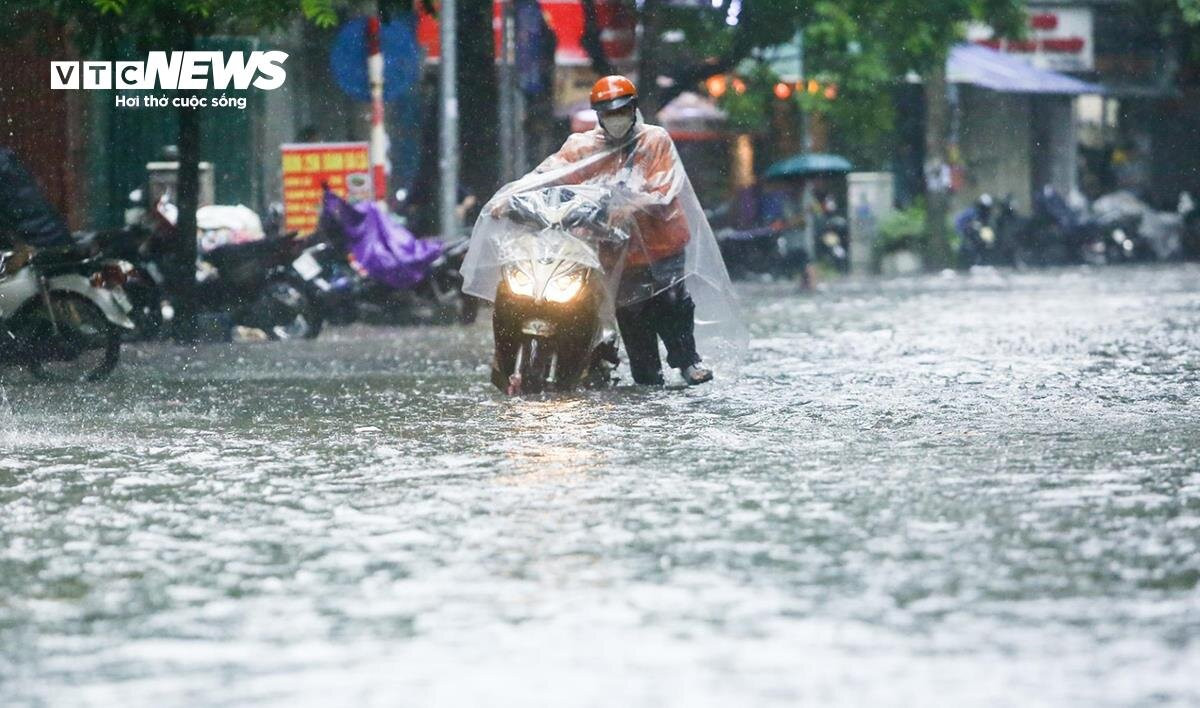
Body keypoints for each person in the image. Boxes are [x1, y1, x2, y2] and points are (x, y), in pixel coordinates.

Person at [522, 75, 713, 386]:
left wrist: (631, 206)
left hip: (662, 244)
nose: (616, 118)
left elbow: (663, 187)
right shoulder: (583, 147)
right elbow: (550, 173)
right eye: (608, 113)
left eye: (621, 111)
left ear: (633, 108)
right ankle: (646, 376)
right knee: (632, 314)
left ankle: (687, 360)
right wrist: (517, 196)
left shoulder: (655, 141)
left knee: (671, 301)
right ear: (599, 116)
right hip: (615, 249)